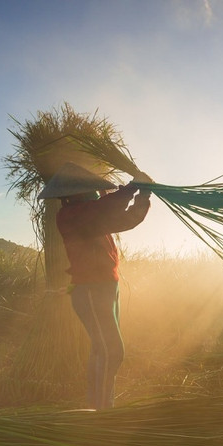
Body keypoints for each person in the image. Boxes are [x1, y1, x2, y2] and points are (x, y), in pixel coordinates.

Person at [39, 161, 152, 410]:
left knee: (102, 350)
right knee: (111, 351)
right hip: (92, 291)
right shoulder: (72, 216)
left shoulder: (92, 218)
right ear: (76, 194)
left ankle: (101, 405)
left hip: (105, 289)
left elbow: (128, 219)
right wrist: (133, 187)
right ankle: (101, 413)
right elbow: (105, 207)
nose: (96, 193)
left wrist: (143, 194)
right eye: (91, 190)